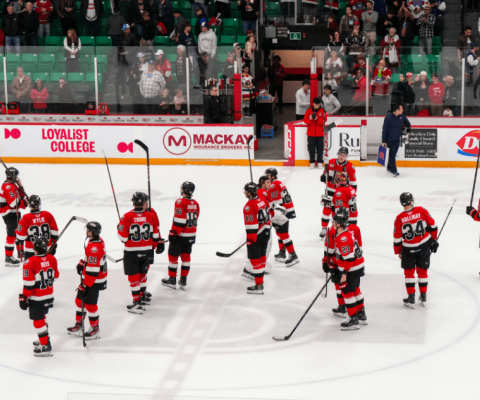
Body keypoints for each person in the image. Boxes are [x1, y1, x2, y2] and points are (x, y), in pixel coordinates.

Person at [394, 192, 438, 308]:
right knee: (422, 271)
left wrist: (398, 251)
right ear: (411, 201)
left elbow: (397, 238)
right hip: (424, 246)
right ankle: (423, 297)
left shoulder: (399, 218)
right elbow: (433, 226)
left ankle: (411, 298)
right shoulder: (421, 210)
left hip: (408, 249)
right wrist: (433, 240)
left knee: (409, 273)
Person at [117, 192, 159, 314]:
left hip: (131, 252)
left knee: (133, 278)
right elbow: (156, 236)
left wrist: (119, 228)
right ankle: (141, 296)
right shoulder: (151, 216)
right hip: (147, 251)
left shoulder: (126, 217)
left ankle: (137, 302)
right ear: (144, 202)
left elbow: (123, 238)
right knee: (142, 275)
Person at [19, 236, 59, 357]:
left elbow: (29, 284)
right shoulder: (52, 258)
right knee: (42, 317)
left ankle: (45, 345)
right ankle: (43, 338)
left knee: (38, 321)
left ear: (34, 247)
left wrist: (24, 297)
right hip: (48, 294)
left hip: (37, 297)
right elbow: (56, 276)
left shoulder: (29, 262)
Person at [66, 221, 106, 340]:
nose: (86, 231)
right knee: (79, 301)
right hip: (90, 279)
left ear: (93, 232)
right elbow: (91, 260)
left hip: (94, 281)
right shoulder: (94, 241)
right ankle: (79, 325)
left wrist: (84, 285)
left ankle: (95, 329)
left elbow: (93, 271)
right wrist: (84, 263)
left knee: (90, 305)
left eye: (88, 229)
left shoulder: (94, 248)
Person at [323, 208, 364, 319]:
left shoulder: (335, 232)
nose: (332, 223)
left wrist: (326, 262)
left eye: (334, 221)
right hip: (356, 263)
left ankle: (345, 310)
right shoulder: (355, 228)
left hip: (343, 264)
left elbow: (330, 249)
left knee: (344, 288)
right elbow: (359, 247)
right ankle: (361, 313)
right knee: (355, 288)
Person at [161, 182, 200, 290]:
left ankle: (172, 279)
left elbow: (180, 220)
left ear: (183, 190)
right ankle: (183, 279)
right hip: (191, 235)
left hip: (180, 235)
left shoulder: (180, 202)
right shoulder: (196, 203)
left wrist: (174, 233)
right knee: (186, 257)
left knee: (173, 257)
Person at [320, 147, 357, 239]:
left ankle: (336, 228)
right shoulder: (330, 162)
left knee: (338, 212)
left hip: (342, 194)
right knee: (327, 209)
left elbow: (353, 183)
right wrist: (323, 177)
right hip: (330, 191)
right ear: (338, 154)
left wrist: (352, 194)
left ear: (346, 156)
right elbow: (326, 176)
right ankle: (324, 228)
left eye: (344, 155)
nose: (341, 156)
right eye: (340, 154)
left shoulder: (350, 167)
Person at [265, 167, 299, 267]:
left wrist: (270, 212)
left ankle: (293, 255)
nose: (266, 177)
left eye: (268, 175)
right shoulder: (278, 183)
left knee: (283, 234)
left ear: (272, 176)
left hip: (282, 212)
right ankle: (282, 252)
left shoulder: (273, 185)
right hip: (286, 210)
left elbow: (277, 203)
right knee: (280, 233)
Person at [242, 176, 274, 280]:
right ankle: (259, 277)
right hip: (266, 231)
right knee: (262, 255)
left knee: (255, 258)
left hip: (257, 235)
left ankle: (256, 277)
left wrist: (250, 240)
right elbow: (269, 213)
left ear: (249, 193)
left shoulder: (249, 206)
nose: (244, 193)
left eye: (245, 191)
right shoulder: (262, 200)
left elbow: (251, 225)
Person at [16, 195, 58, 261]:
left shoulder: (25, 218)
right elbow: (55, 233)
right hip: (47, 248)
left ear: (29, 204)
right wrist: (53, 244)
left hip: (31, 250)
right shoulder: (47, 215)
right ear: (39, 204)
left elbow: (20, 237)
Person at [1, 167, 28, 266]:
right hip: (9, 213)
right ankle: (8, 257)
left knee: (17, 233)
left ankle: (20, 253)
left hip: (13, 213)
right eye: (16, 175)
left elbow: (21, 196)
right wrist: (25, 203)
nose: (17, 177)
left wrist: (20, 186)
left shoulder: (13, 185)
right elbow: (13, 203)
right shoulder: (8, 187)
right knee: (12, 235)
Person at [381, 103, 410, 177]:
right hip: (389, 140)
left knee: (392, 155)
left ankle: (389, 168)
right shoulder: (388, 117)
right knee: (393, 155)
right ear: (397, 110)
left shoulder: (402, 116)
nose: (403, 110)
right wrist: (383, 141)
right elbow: (384, 130)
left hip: (397, 139)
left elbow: (408, 124)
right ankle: (394, 170)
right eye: (401, 109)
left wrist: (406, 131)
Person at [303, 97, 327, 169]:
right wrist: (310, 118)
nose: (317, 106)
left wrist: (317, 118)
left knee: (320, 148)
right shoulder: (308, 110)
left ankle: (320, 162)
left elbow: (323, 122)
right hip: (311, 134)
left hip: (320, 134)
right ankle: (312, 162)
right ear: (313, 104)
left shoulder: (323, 111)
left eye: (318, 105)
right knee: (311, 149)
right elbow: (305, 121)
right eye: (316, 105)